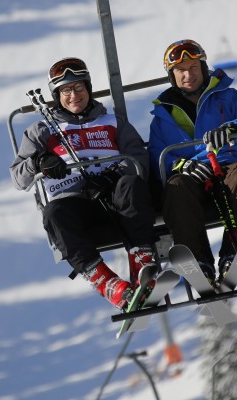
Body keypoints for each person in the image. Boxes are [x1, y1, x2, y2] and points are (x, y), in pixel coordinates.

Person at [10, 57, 157, 310]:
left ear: (88, 89)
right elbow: (18, 178)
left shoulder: (112, 122)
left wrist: (113, 176)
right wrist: (39, 161)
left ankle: (142, 262)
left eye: (79, 88)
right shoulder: (42, 130)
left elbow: (139, 159)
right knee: (54, 213)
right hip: (75, 205)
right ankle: (108, 283)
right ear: (57, 96)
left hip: (114, 199)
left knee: (131, 185)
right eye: (66, 90)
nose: (74, 95)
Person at [147, 39, 237, 284]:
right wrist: (182, 165)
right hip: (191, 175)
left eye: (193, 67)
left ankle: (233, 254)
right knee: (176, 188)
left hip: (226, 164)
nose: (188, 74)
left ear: (203, 68)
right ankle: (199, 263)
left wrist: (231, 127)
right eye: (180, 70)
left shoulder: (226, 97)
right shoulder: (164, 114)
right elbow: (157, 155)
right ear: (172, 76)